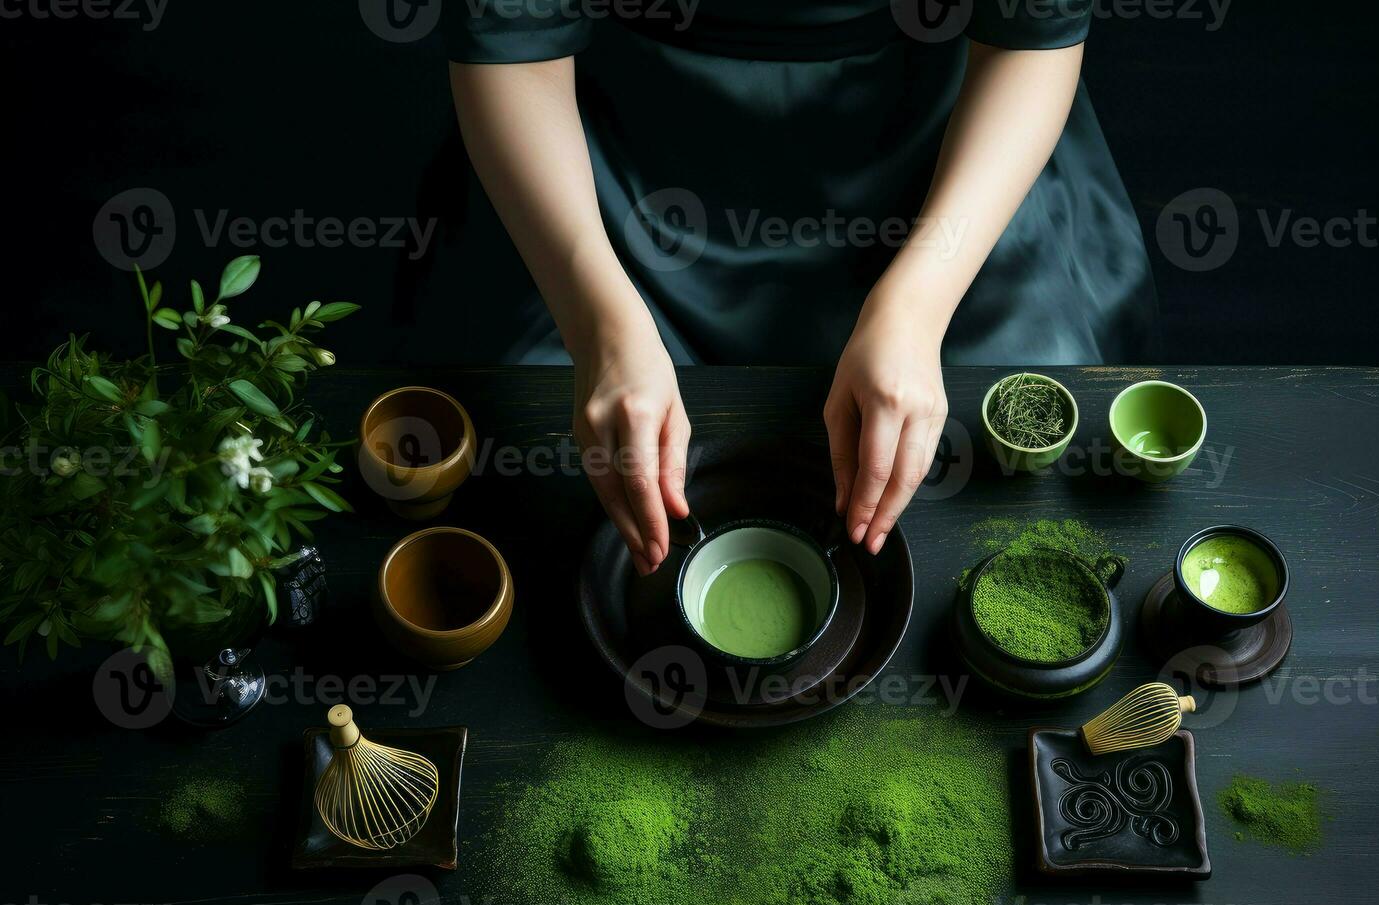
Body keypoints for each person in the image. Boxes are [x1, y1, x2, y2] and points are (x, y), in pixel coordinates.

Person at [444, 1, 1153, 575]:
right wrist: (601, 330)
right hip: (605, 183)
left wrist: (915, 310)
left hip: (945, 166)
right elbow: (518, 47)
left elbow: (1029, 39)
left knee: (995, 480)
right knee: (549, 501)